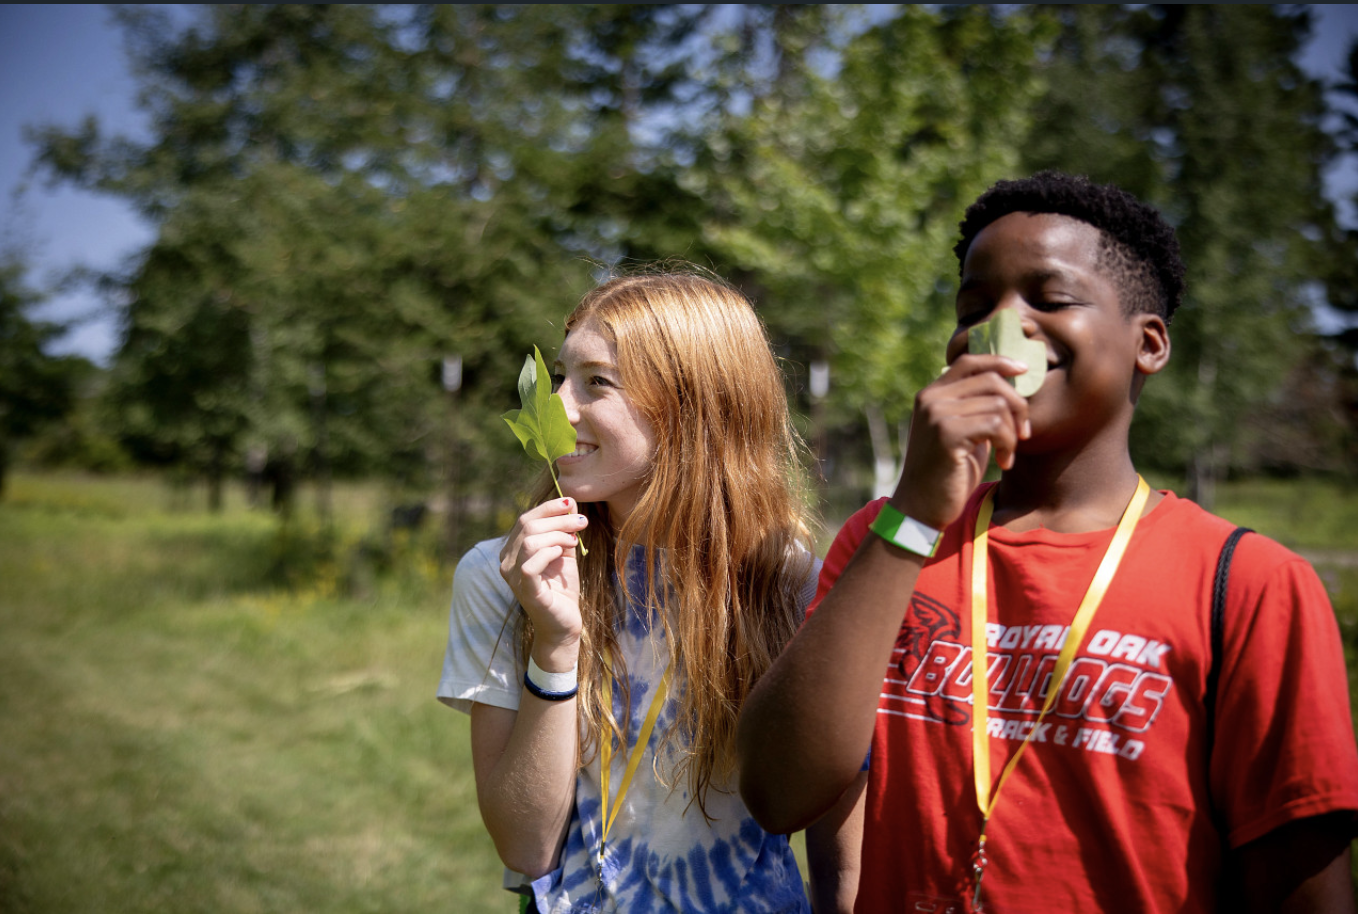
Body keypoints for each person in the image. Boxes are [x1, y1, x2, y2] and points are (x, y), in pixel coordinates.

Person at [736, 171, 1358, 913]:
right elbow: (778, 793)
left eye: (1050, 299)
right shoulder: (888, 539)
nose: (1004, 327)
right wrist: (914, 513)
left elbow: (1304, 888)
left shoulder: (1248, 581)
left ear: (1149, 344)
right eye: (975, 307)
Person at [438, 269, 823, 913]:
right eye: (560, 376)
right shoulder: (502, 576)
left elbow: (839, 799)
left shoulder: (784, 580)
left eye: (597, 382)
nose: (557, 407)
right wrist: (556, 648)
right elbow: (524, 847)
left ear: (696, 407)